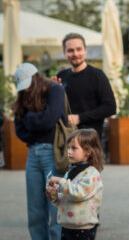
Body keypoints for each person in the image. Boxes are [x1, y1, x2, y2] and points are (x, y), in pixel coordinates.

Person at [12, 63, 66, 240]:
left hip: (53, 153)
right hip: (32, 153)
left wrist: (29, 119)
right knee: (35, 210)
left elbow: (48, 121)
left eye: (28, 85)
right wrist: (36, 123)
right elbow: (19, 130)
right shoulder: (23, 97)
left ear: (36, 79)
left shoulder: (55, 90)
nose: (26, 90)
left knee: (55, 206)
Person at [46, 129, 104, 240]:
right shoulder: (71, 171)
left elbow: (78, 193)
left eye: (74, 148)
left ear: (88, 151)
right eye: (68, 148)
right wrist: (55, 196)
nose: (69, 151)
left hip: (83, 229)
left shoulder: (91, 174)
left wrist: (61, 181)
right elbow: (67, 195)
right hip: (67, 225)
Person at [56, 33, 116, 138]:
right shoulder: (61, 76)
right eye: (70, 50)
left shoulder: (97, 75)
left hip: (91, 141)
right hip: (66, 139)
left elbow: (110, 107)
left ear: (85, 50)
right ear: (64, 53)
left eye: (79, 49)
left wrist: (79, 118)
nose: (75, 54)